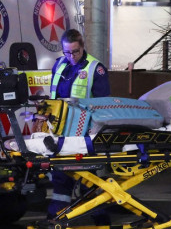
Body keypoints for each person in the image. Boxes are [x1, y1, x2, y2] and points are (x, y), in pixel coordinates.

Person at [46, 29, 111, 225]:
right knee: (61, 176)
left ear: (82, 48)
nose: (71, 57)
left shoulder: (95, 69)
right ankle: (56, 217)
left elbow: (102, 105)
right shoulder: (59, 65)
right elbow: (54, 98)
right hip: (61, 131)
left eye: (75, 52)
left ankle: (101, 219)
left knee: (87, 180)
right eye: (67, 52)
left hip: (84, 133)